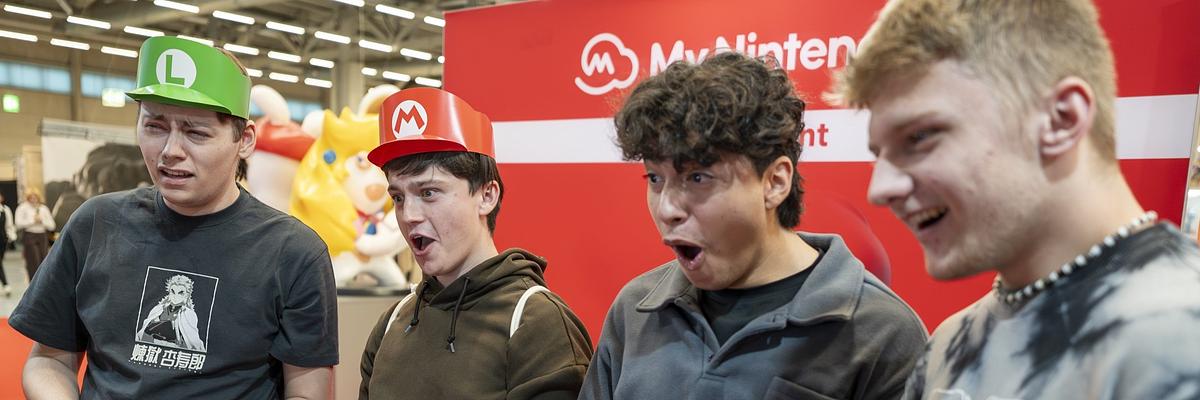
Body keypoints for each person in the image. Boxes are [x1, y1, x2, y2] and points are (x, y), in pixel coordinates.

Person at [831, 0, 1200, 398]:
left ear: (1060, 119)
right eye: (879, 154)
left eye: (919, 137)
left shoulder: (1179, 336)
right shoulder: (948, 345)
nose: (880, 189)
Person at [579, 52, 928, 400]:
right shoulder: (634, 310)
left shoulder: (882, 332)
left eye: (698, 178)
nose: (667, 208)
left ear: (775, 182)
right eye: (655, 178)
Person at [9, 36, 338, 399]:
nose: (170, 151)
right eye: (155, 126)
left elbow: (306, 390)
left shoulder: (293, 252)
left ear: (244, 140)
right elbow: (49, 360)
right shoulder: (96, 224)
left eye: (195, 132)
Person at [358, 88, 593, 400]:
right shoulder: (392, 322)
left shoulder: (536, 323)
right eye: (398, 197)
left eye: (428, 192)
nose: (409, 215)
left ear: (486, 195)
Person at [14, 189, 54, 280]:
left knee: (44, 259)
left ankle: (43, 280)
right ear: (28, 198)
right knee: (33, 260)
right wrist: (32, 221)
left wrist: (42, 221)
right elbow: (18, 223)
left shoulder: (43, 208)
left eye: (35, 197)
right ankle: (33, 281)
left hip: (42, 235)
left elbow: (52, 225)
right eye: (31, 197)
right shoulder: (22, 208)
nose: (33, 199)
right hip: (30, 235)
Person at [0, 192, 15, 296]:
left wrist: (11, 237)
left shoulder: (5, 210)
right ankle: (6, 285)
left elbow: (9, 225)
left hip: (2, 240)